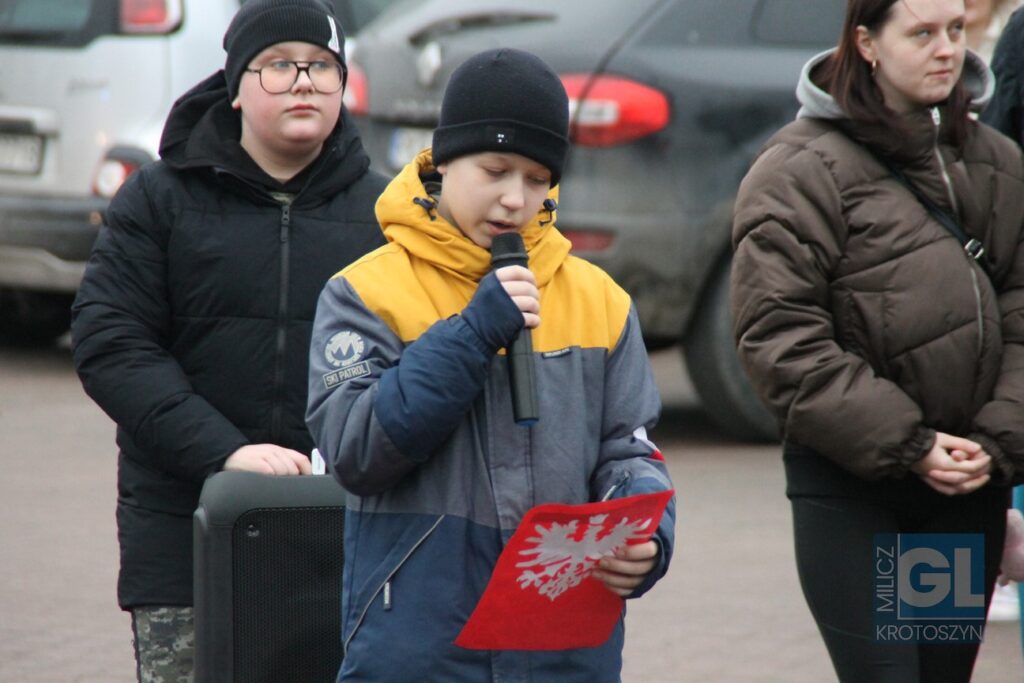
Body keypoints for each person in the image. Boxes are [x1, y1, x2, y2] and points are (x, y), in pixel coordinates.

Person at [306, 48, 675, 682]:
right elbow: (355, 450)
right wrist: (473, 334)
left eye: (537, 178)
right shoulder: (364, 293)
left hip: (562, 654)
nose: (514, 198)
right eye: (495, 170)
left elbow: (630, 449)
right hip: (422, 650)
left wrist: (646, 532)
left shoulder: (602, 301)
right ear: (444, 160)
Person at [70, 0, 388, 680]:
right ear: (235, 85)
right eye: (278, 65)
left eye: (322, 66)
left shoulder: (389, 217)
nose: (303, 82)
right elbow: (111, 343)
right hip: (186, 534)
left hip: (344, 546)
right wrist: (225, 452)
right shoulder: (159, 200)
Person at [730, 0, 1024, 681]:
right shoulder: (798, 168)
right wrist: (910, 444)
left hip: (961, 487)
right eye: (921, 33)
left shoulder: (996, 164)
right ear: (866, 42)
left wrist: (995, 440)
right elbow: (779, 336)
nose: (947, 49)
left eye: (955, 30)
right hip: (853, 490)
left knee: (938, 675)